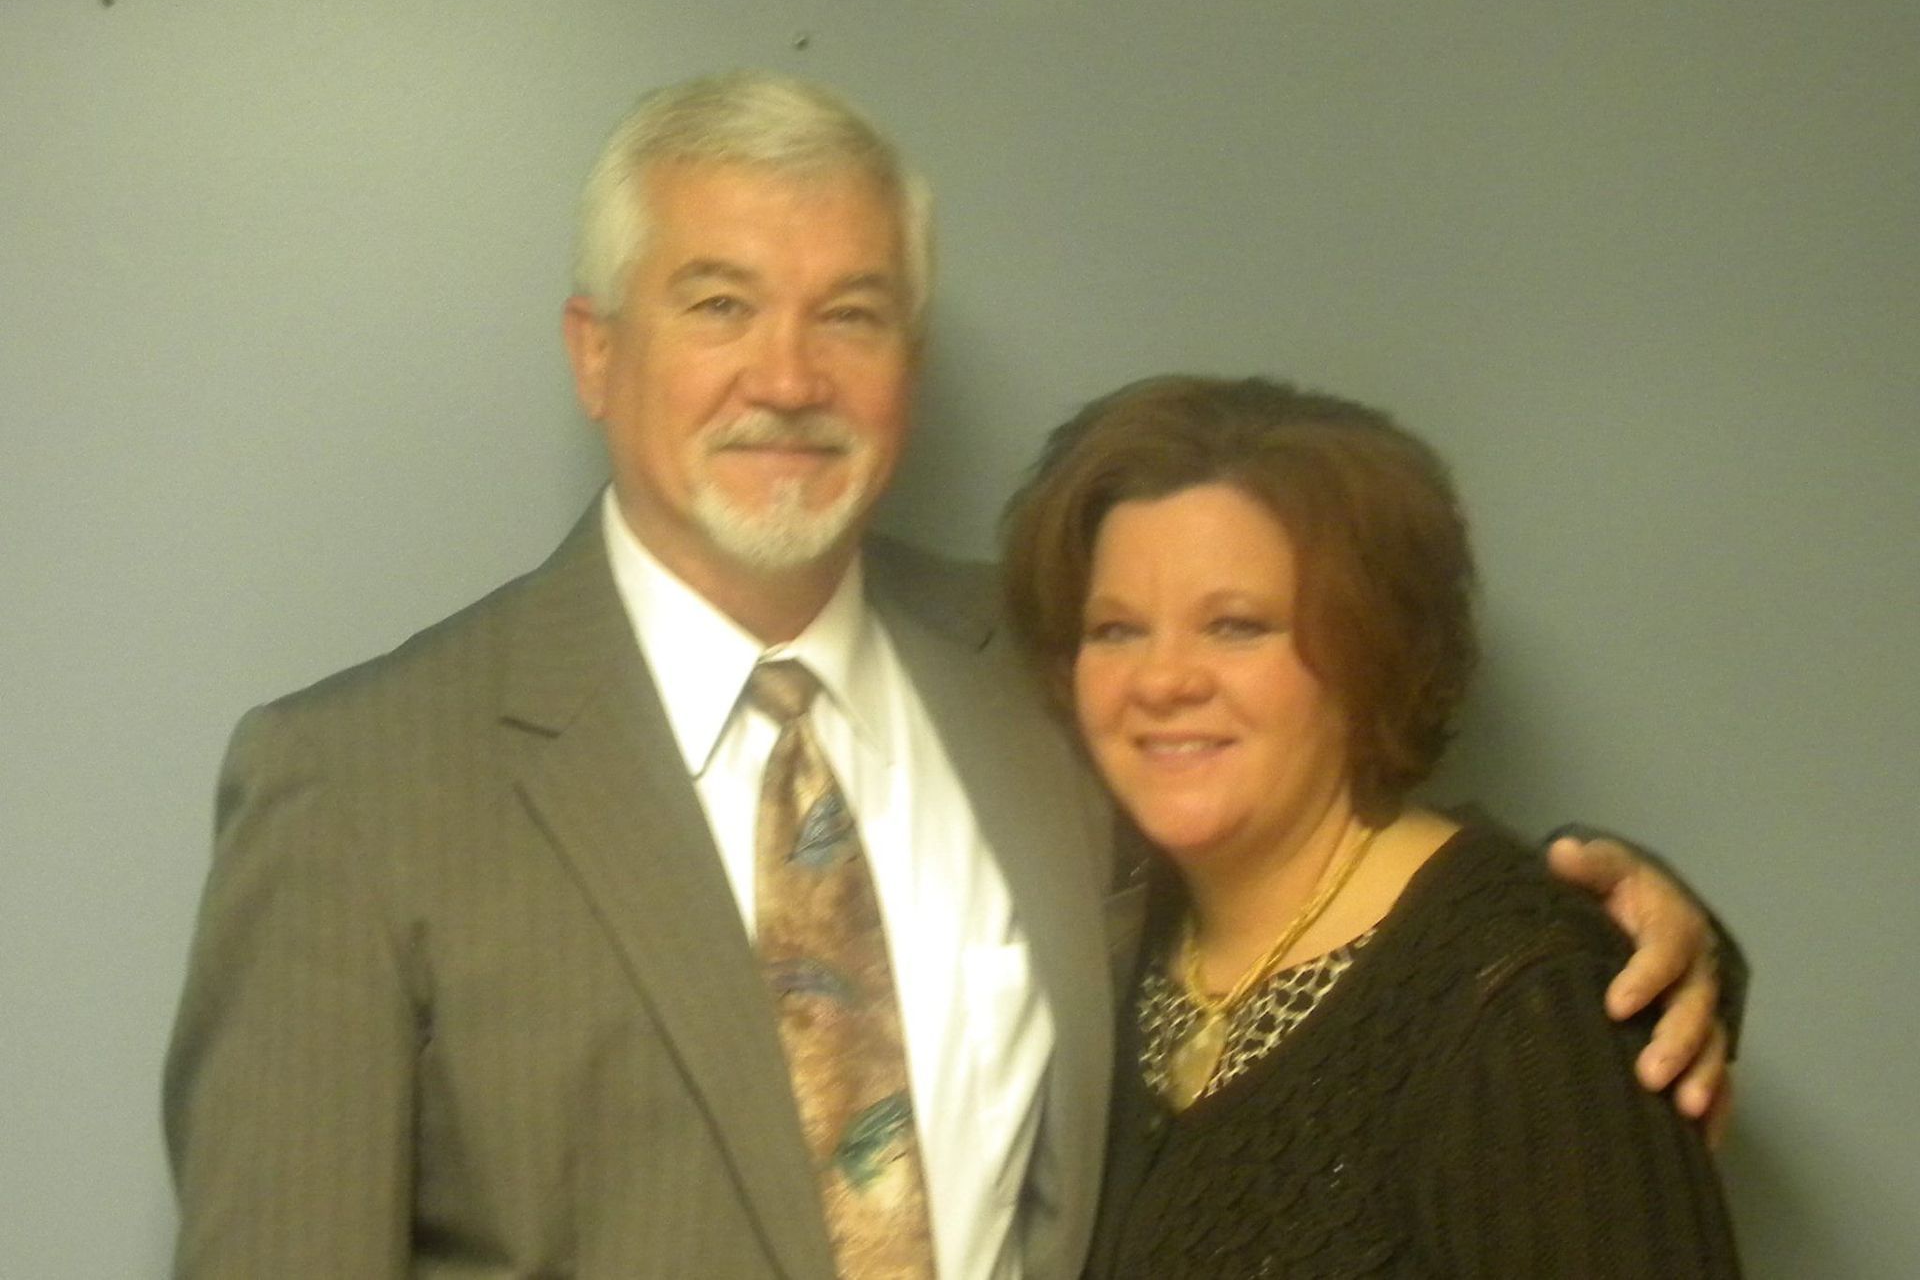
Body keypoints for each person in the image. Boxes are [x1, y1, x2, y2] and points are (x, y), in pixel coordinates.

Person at [164, 73, 1735, 1280]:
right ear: (595, 350)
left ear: (907, 366)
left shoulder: (1057, 685)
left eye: (851, 314)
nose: (789, 375)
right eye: (719, 304)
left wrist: (1606, 939)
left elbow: (1328, 885)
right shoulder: (356, 788)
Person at [1001, 375, 1741, 1278]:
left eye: (1235, 625)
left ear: (1369, 649)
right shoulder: (1106, 944)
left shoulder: (1524, 995)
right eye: (1117, 630)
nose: (1162, 681)